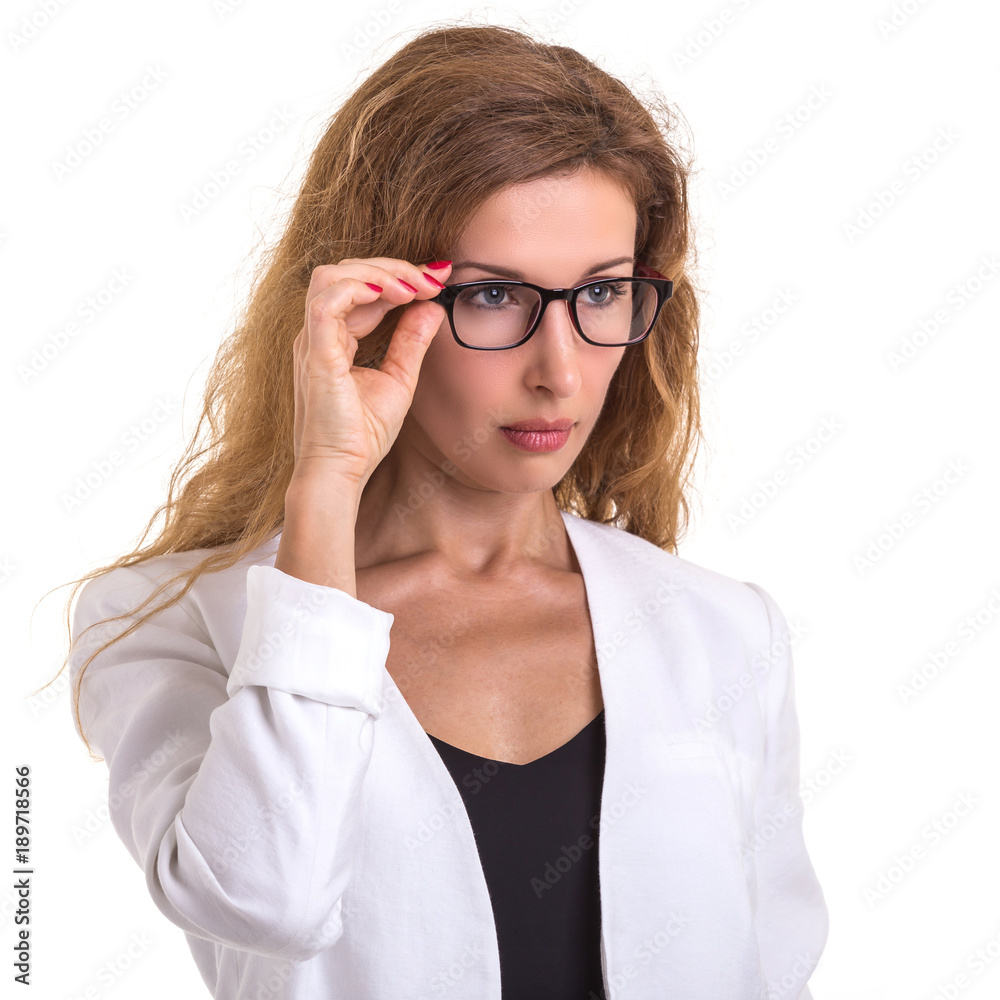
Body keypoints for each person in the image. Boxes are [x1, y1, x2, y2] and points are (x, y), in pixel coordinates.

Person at [59, 21, 828, 1000]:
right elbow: (265, 901)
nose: (559, 371)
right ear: (368, 299)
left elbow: (776, 976)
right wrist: (326, 476)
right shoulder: (171, 623)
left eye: (601, 293)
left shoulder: (726, 632)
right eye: (497, 294)